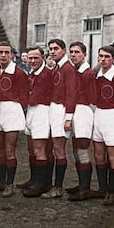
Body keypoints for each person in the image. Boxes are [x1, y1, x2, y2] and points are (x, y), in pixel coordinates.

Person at [0, 41, 28, 197]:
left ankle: (10, 184)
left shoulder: (18, 72)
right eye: (1, 52)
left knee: (9, 149)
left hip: (11, 110)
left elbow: (24, 94)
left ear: (12, 54)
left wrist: (16, 107)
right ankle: (1, 181)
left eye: (7, 52)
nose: (4, 55)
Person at [41, 39, 77, 199]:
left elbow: (71, 94)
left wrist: (68, 118)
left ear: (64, 51)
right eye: (50, 49)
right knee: (52, 148)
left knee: (59, 149)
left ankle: (58, 187)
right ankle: (49, 183)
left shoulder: (68, 69)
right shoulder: (57, 67)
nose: (53, 51)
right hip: (54, 109)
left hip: (62, 111)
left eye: (56, 49)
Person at [92, 45, 114, 206]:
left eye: (107, 56)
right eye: (101, 56)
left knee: (113, 157)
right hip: (98, 115)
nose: (103, 59)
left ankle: (112, 190)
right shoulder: (96, 75)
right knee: (99, 155)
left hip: (112, 116)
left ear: (113, 58)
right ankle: (102, 188)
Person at [21, 46, 53, 198]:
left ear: (43, 58)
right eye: (30, 58)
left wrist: (20, 96)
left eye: (36, 58)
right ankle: (34, 179)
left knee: (40, 150)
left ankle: (41, 184)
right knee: (31, 149)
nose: (32, 61)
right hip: (31, 112)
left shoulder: (46, 74)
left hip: (42, 111)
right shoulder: (32, 74)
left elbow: (34, 98)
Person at [66, 42, 97, 201]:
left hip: (84, 112)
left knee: (83, 150)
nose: (73, 55)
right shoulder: (75, 71)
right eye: (71, 52)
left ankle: (85, 188)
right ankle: (81, 184)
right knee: (76, 151)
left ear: (84, 55)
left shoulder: (88, 73)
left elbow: (93, 99)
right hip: (75, 111)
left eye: (77, 52)